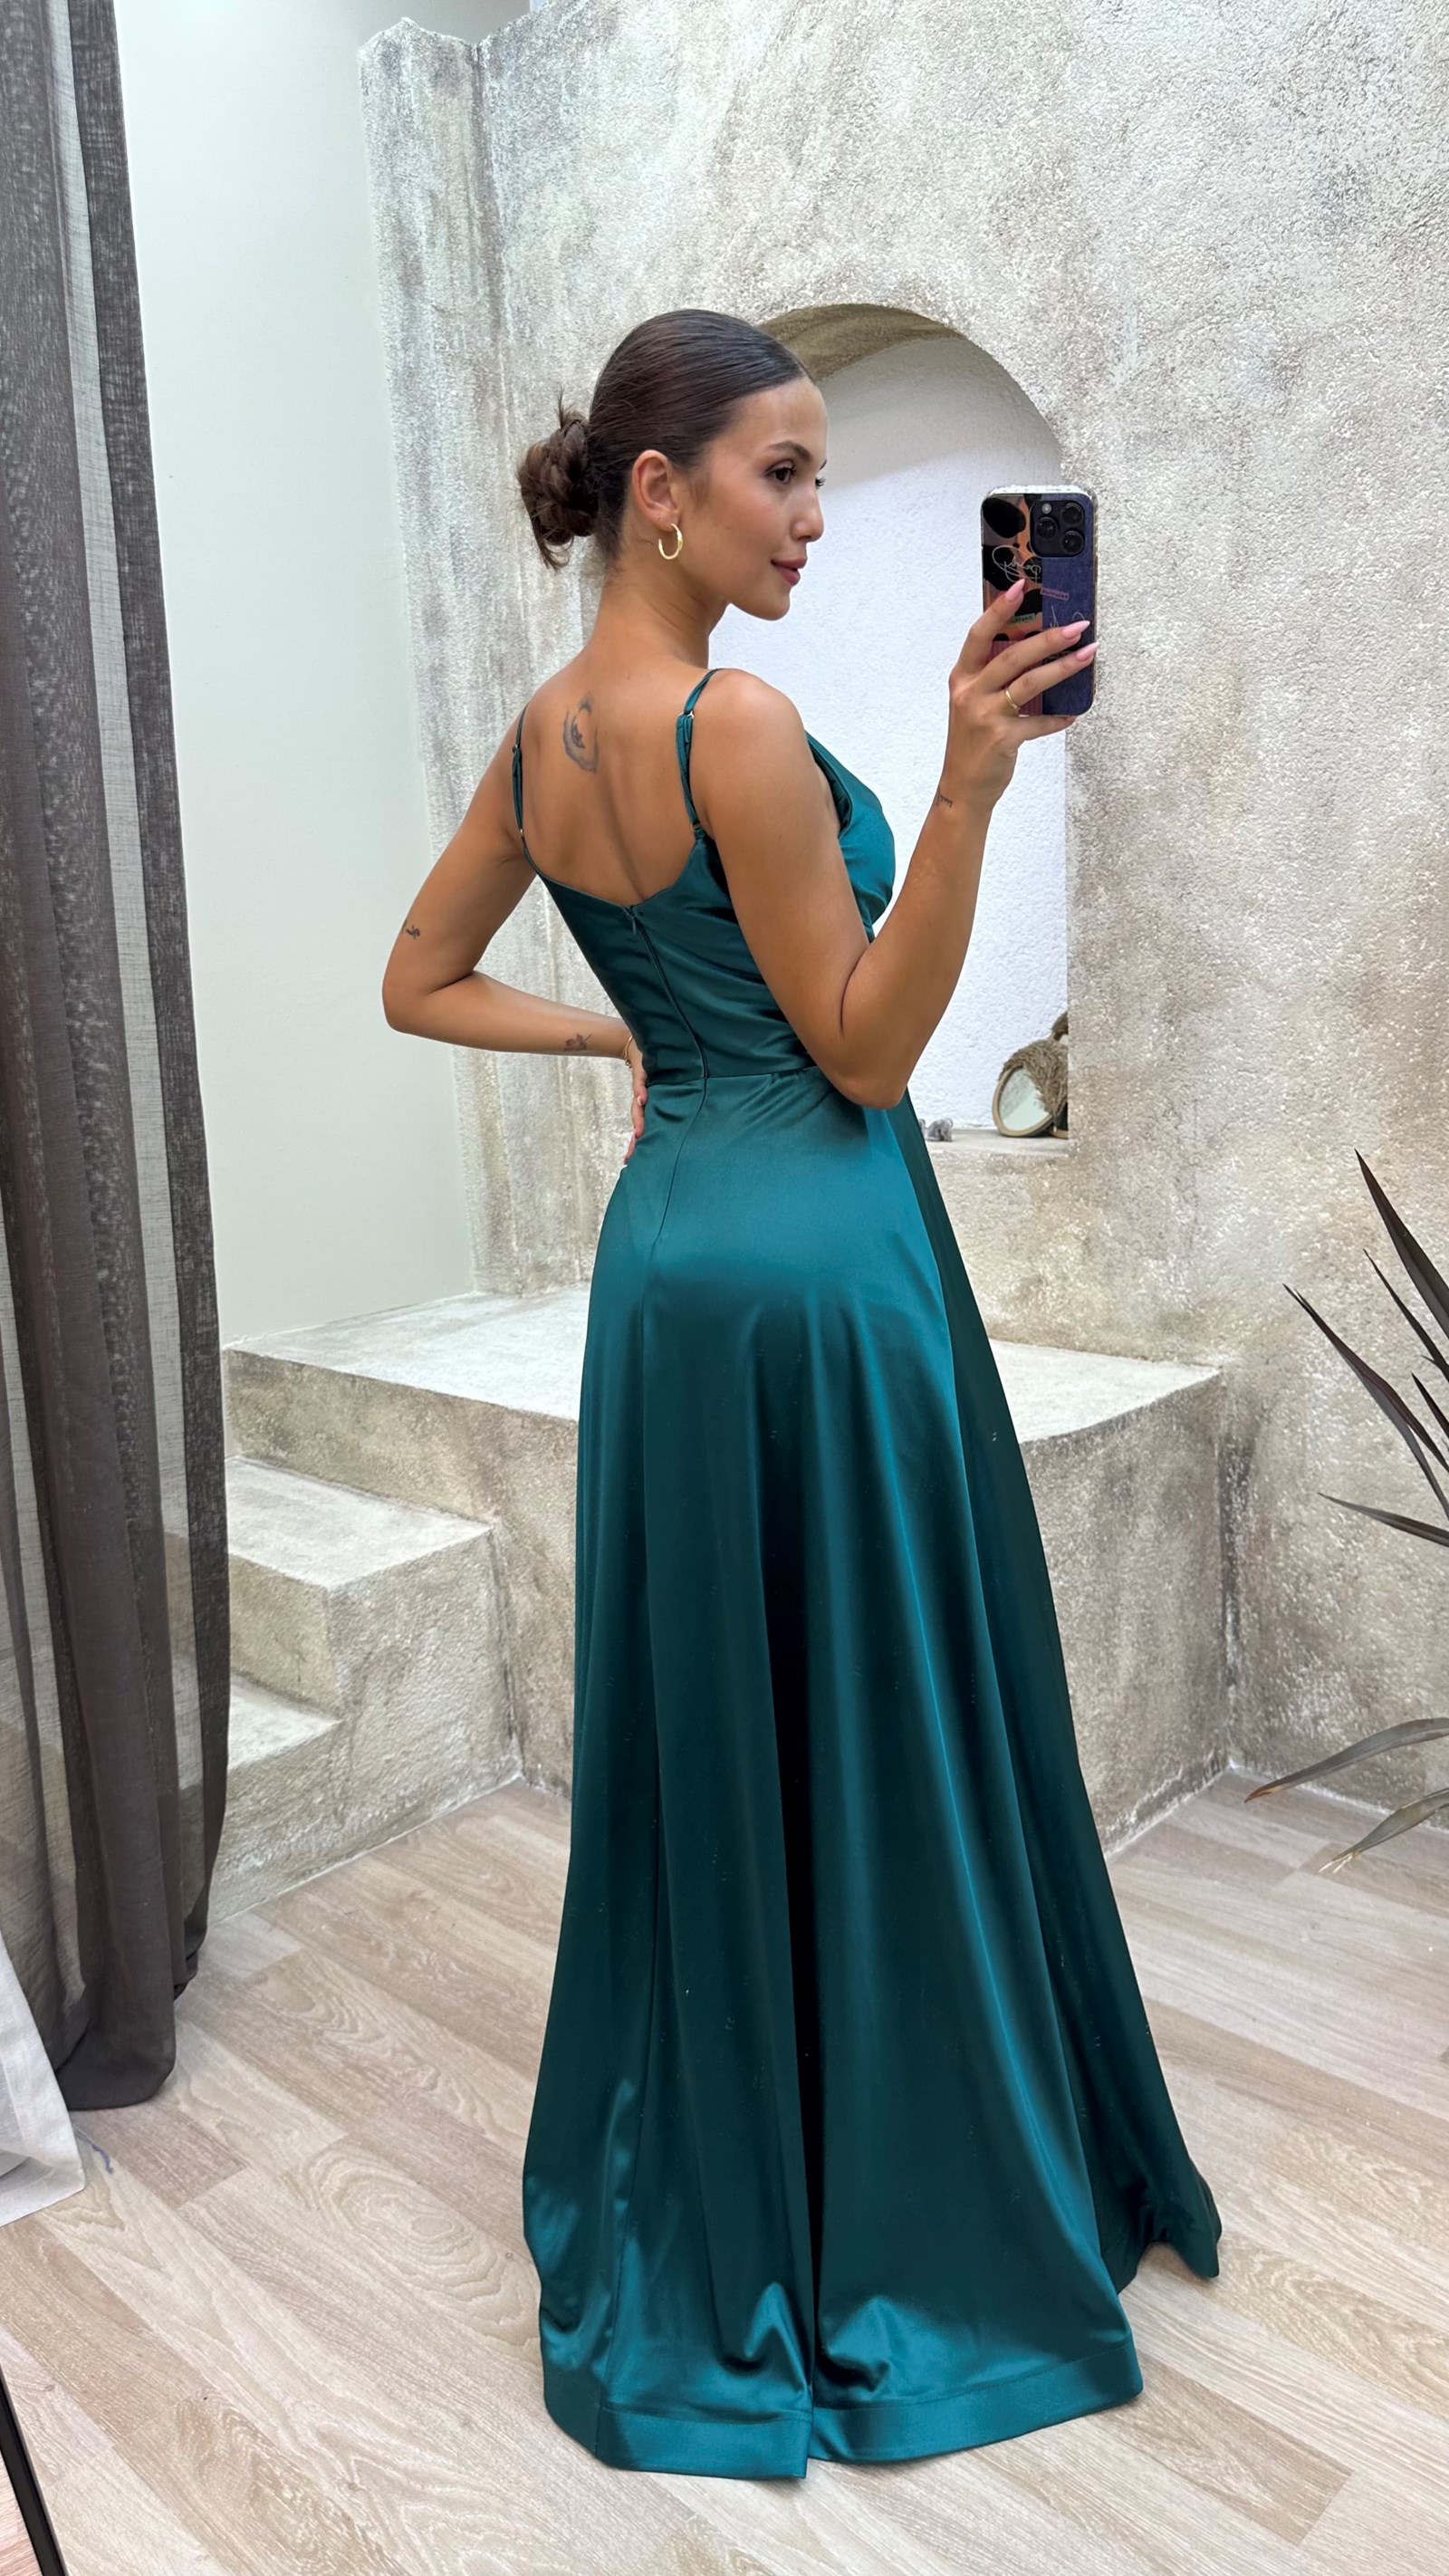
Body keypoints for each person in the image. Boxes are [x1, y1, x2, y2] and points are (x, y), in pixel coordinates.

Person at [380, 307, 1221, 2482]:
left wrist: (609, 1036)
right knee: (875, 1714)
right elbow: (862, 1049)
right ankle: (916, 2190)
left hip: (669, 1269)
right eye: (783, 472)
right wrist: (964, 785)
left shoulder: (544, 737)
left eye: (822, 474)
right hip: (821, 1267)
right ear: (658, 493)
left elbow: (416, 978)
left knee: (726, 1732)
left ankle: (739, 2156)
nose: (815, 520)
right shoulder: (732, 722)